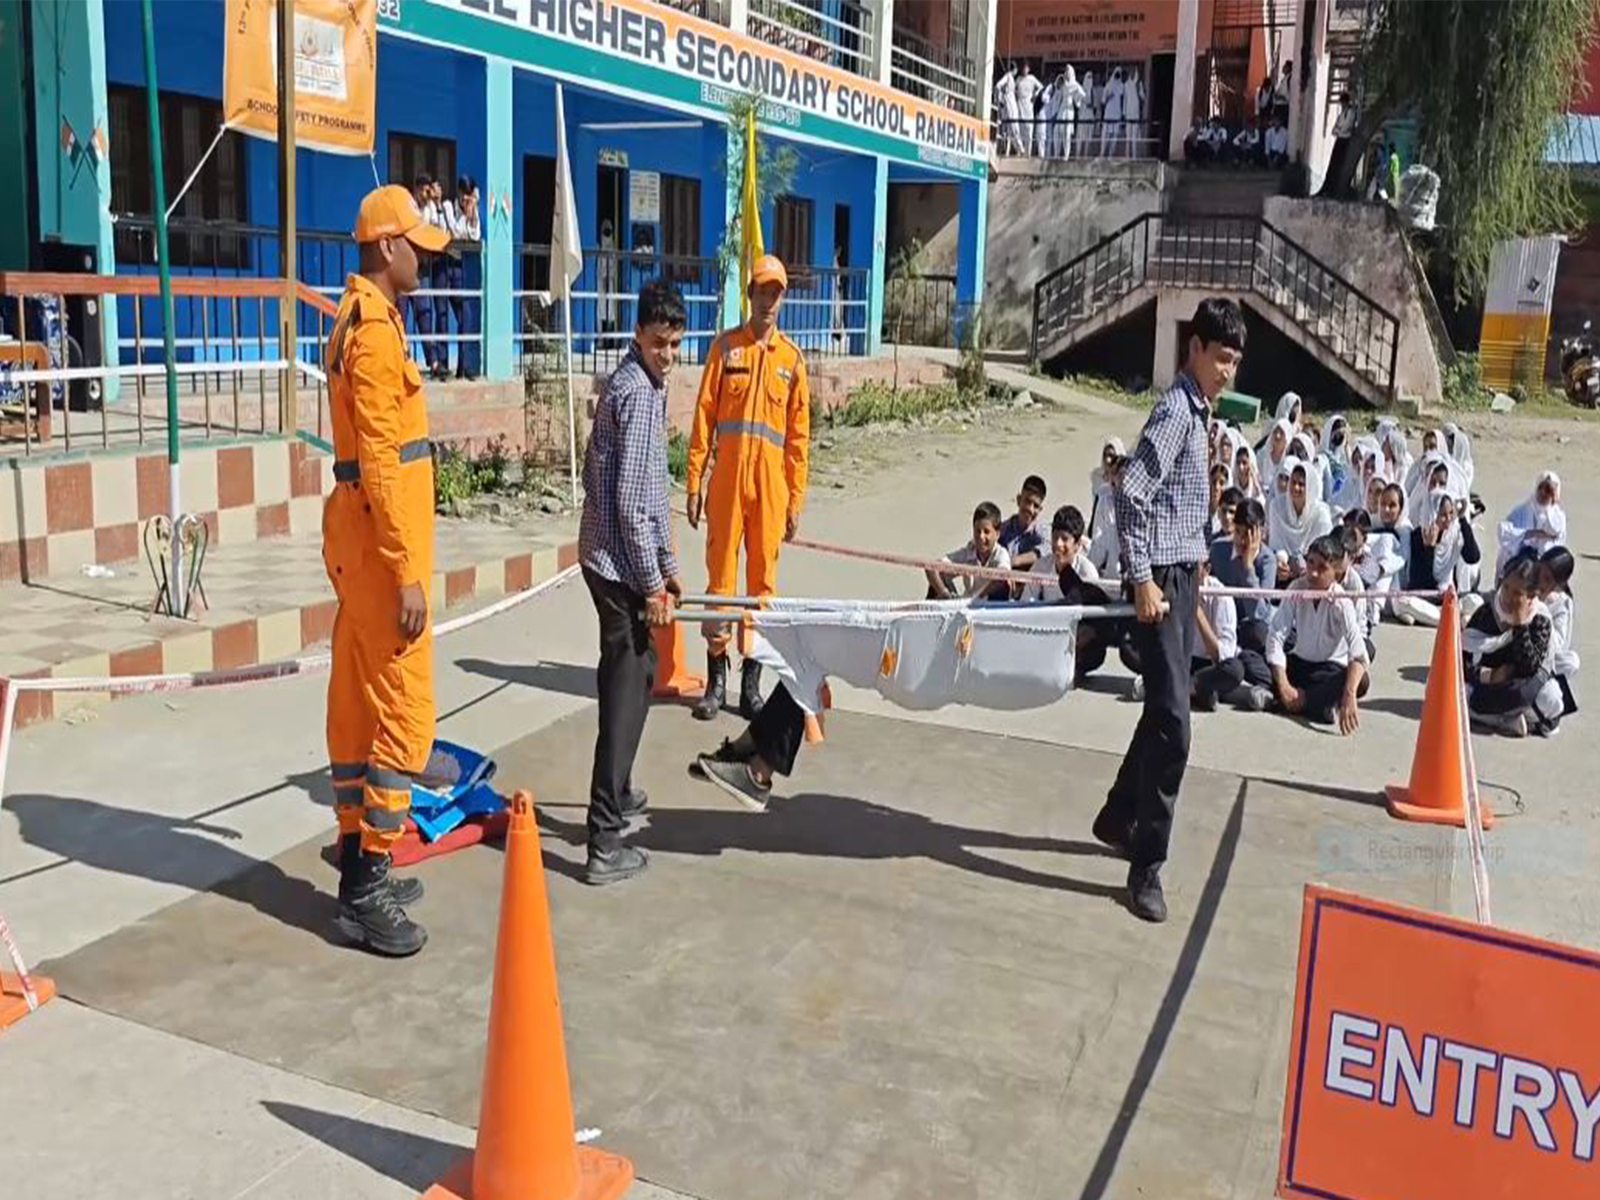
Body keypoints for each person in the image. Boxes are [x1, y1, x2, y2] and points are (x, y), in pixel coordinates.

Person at [322, 185, 452, 957]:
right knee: (406, 715)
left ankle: (353, 857)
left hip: (363, 540)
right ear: (384, 249)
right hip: (380, 550)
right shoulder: (371, 333)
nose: (424, 258)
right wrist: (405, 570)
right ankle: (366, 885)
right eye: (416, 247)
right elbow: (379, 456)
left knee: (358, 704)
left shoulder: (369, 321)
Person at [1093, 297, 1246, 924]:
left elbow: (1174, 503)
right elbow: (1129, 492)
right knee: (1175, 728)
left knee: (1164, 709)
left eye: (1235, 362)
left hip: (1183, 578)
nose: (1227, 372)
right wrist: (1142, 579)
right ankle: (1146, 866)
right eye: (1220, 358)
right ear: (1195, 350)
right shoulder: (1177, 412)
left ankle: (1116, 813)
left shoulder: (1201, 412)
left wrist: (1192, 555)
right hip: (1159, 587)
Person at [577, 280, 688, 885]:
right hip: (617, 563)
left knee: (640, 674)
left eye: (675, 344)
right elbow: (627, 504)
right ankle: (603, 839)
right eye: (658, 343)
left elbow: (652, 492)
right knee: (627, 688)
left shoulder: (639, 382)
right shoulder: (636, 394)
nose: (667, 354)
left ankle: (617, 791)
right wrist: (651, 583)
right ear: (637, 335)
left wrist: (668, 568)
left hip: (619, 556)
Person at [686, 254, 811, 722]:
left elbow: (799, 440)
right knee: (720, 582)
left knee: (763, 589)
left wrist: (795, 500)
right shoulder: (725, 350)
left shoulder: (792, 362)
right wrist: (694, 481)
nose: (767, 300)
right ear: (750, 294)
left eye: (775, 292)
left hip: (771, 490)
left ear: (782, 299)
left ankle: (750, 685)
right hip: (726, 486)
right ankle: (716, 681)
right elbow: (703, 418)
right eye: (761, 290)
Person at [1266, 535, 1369, 734]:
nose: (1312, 573)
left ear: (1336, 573)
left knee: (1360, 682)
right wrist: (1284, 683)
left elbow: (1358, 652)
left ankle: (1303, 702)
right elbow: (1276, 635)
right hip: (1299, 665)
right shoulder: (1297, 587)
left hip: (1328, 670)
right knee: (1264, 665)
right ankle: (1313, 703)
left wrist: (1349, 693)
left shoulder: (1342, 602)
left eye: (1322, 568)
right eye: (1310, 562)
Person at [1463, 555, 1556, 738]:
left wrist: (1520, 625)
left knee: (1551, 697)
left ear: (1531, 596)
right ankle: (1508, 721)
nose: (1507, 597)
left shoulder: (1540, 619)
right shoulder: (1487, 613)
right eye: (1506, 587)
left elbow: (1531, 667)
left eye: (1517, 593)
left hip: (1520, 688)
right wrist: (1490, 675)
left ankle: (1492, 718)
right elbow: (1462, 661)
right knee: (1458, 693)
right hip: (1486, 686)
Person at [1209, 497, 1276, 707]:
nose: (1242, 540)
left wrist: (1248, 567)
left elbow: (1259, 615)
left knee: (1258, 634)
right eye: (1238, 532)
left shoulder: (1267, 560)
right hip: (1220, 629)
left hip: (1249, 635)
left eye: (1249, 533)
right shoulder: (1218, 549)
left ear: (1260, 532)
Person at [1393, 488, 1481, 627]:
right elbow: (1423, 582)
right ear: (1432, 514)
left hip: (1447, 598)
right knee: (1401, 601)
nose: (1448, 520)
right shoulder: (1418, 536)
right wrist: (1429, 549)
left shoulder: (1454, 534)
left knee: (1476, 601)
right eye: (1443, 515)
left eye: (1451, 513)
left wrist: (1463, 519)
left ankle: (1441, 617)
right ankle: (1453, 619)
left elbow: (1473, 557)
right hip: (1424, 597)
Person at [440, 176, 482, 380]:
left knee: (465, 318)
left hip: (462, 268)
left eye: (469, 194)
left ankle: (464, 367)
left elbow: (474, 236)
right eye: (464, 194)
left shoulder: (472, 211)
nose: (466, 198)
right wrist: (465, 215)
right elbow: (456, 232)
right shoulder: (448, 206)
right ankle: (441, 365)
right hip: (445, 266)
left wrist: (472, 214)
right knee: (441, 314)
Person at [927, 501, 1012, 601]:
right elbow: (931, 567)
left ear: (997, 534)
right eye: (977, 531)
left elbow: (1002, 576)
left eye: (986, 532)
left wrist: (978, 596)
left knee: (1004, 585)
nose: (981, 537)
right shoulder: (969, 551)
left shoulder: (1001, 554)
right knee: (934, 585)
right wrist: (944, 593)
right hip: (967, 607)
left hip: (989, 608)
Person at [1191, 555, 1245, 712]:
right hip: (1183, 661)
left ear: (1206, 570)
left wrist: (1197, 611)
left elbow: (1222, 655)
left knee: (1234, 670)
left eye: (1193, 568)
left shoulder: (1222, 596)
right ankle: (1194, 691)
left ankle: (1187, 687)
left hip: (1210, 667)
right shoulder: (1176, 587)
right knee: (1129, 647)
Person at [1269, 459, 1334, 583]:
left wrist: (1304, 564)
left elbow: (1324, 551)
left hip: (1313, 573)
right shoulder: (1277, 506)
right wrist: (1281, 562)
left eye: (1301, 484)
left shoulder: (1321, 515)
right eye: (1293, 482)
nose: (1295, 488)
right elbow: (1276, 545)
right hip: (1282, 573)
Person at [1496, 471, 1566, 578]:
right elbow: (1503, 533)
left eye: (1548, 490)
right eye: (1540, 488)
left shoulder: (1558, 516)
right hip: (1520, 563)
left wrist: (1552, 504)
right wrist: (1531, 533)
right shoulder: (1521, 511)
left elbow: (1554, 530)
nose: (1543, 493)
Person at [1539, 545, 1579, 721]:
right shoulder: (1526, 578)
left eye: (1547, 579)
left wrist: (1542, 609)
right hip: (1515, 649)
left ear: (1559, 583)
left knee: (1571, 661)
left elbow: (1558, 646)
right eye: (1540, 572)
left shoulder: (1562, 604)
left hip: (1542, 659)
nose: (1540, 581)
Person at [405, 173, 440, 375]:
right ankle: (402, 359)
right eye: (424, 190)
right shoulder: (408, 206)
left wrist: (435, 203)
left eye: (429, 189)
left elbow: (435, 229)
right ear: (416, 188)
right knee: (401, 316)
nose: (426, 194)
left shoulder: (430, 208)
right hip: (405, 267)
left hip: (422, 269)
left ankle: (433, 361)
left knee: (424, 314)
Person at [1087, 437, 1125, 576]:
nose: (1108, 460)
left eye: (1112, 456)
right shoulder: (1104, 497)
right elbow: (1098, 537)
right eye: (1106, 455)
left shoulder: (1138, 502)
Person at [998, 475, 1049, 574]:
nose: (1030, 509)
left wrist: (1014, 561)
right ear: (1018, 500)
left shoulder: (1043, 534)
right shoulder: (1003, 529)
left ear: (1040, 510)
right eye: (1027, 501)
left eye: (1036, 506)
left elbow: (1046, 551)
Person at [1015, 64, 1043, 157]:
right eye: (1023, 68)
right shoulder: (1018, 79)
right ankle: (1020, 151)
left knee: (1029, 130)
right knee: (1020, 130)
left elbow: (1040, 87)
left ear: (1028, 69)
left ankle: (1028, 153)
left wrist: (1035, 95)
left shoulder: (1032, 78)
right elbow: (1014, 88)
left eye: (1026, 68)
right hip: (1020, 105)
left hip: (1029, 105)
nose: (1024, 70)